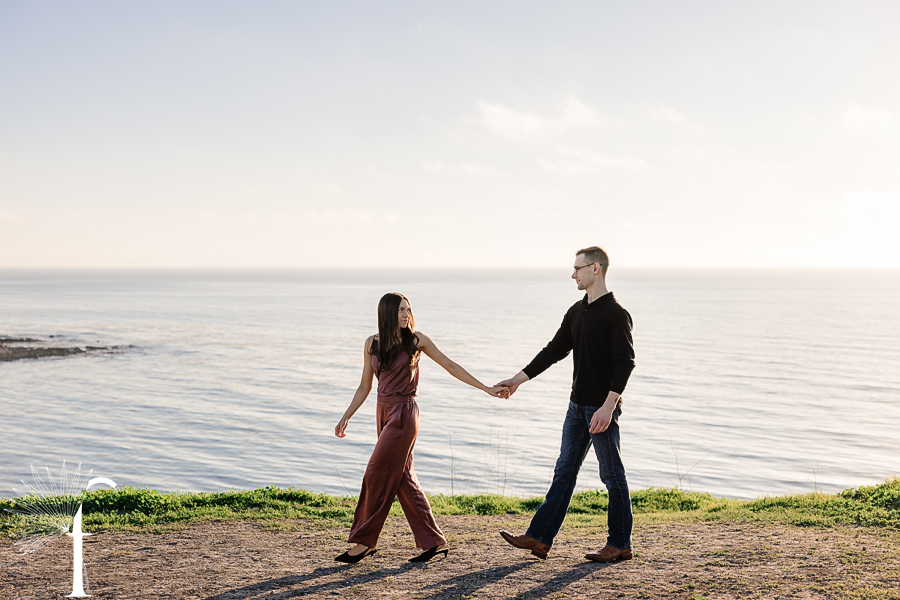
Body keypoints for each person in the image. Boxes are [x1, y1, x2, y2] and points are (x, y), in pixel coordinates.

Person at [334, 292, 508, 564]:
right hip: (382, 411)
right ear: (387, 314)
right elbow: (365, 385)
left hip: (404, 414)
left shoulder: (417, 341)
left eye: (408, 309)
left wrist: (485, 388)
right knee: (402, 477)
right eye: (400, 310)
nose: (406, 314)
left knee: (375, 472)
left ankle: (364, 542)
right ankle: (434, 543)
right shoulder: (372, 343)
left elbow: (450, 365)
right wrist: (347, 415)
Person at [495, 246, 636, 563]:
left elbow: (625, 363)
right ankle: (539, 538)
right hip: (576, 408)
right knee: (564, 473)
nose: (573, 274)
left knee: (612, 476)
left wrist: (608, 406)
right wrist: (517, 379)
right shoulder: (576, 311)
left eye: (578, 268)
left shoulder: (616, 314)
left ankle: (620, 543)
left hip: (601, 409)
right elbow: (554, 350)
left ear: (595, 269)